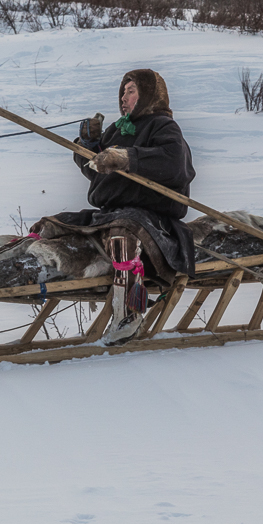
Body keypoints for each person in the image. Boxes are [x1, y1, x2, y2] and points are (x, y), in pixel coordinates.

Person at [66, 68, 197, 343]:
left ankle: (129, 314)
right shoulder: (117, 129)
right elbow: (96, 170)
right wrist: (88, 147)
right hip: (112, 214)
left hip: (151, 220)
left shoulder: (163, 126)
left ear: (149, 94)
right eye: (123, 91)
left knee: (122, 235)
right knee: (57, 225)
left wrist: (126, 157)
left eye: (131, 90)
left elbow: (174, 163)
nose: (124, 97)